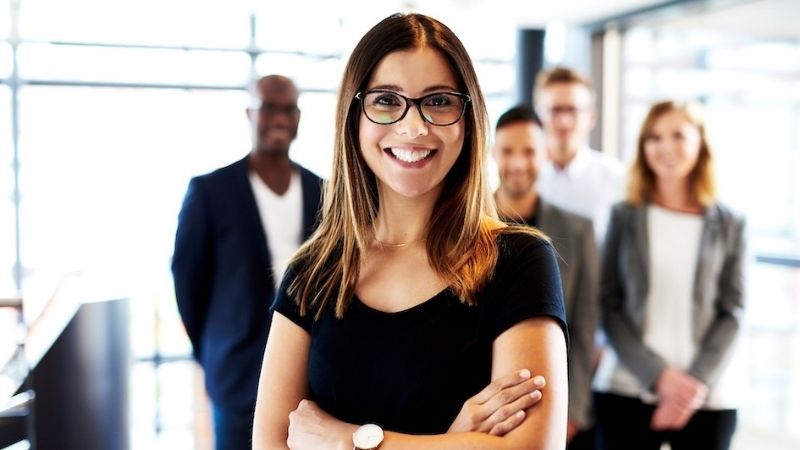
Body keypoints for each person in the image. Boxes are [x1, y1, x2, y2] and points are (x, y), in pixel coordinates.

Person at [252, 13, 568, 450]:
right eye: (386, 100)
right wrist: (455, 440)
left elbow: (535, 448)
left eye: (438, 101)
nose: (414, 126)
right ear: (353, 116)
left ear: (468, 118)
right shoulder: (313, 273)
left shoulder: (517, 260)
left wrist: (350, 440)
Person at [171, 75, 323, 450]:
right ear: (249, 113)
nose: (280, 119)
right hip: (237, 371)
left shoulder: (324, 190)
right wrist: (211, 349)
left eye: (289, 109)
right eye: (268, 107)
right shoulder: (210, 191)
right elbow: (187, 282)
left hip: (312, 373)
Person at [593, 100, 746, 450]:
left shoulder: (731, 223)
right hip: (626, 386)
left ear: (700, 142)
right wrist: (660, 379)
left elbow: (733, 312)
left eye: (678, 135)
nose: (665, 148)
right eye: (654, 137)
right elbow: (608, 304)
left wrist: (690, 386)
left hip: (706, 395)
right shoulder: (624, 216)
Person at [492, 105, 599, 449]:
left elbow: (584, 329)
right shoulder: (465, 225)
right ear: (493, 152)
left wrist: (573, 411)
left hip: (555, 410)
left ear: (547, 153)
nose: (518, 163)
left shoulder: (578, 230)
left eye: (529, 151)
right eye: (508, 151)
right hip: (482, 411)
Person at [534, 66, 625, 243]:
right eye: (555, 110)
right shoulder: (527, 178)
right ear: (540, 115)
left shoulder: (616, 179)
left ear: (591, 117)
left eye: (573, 110)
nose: (563, 121)